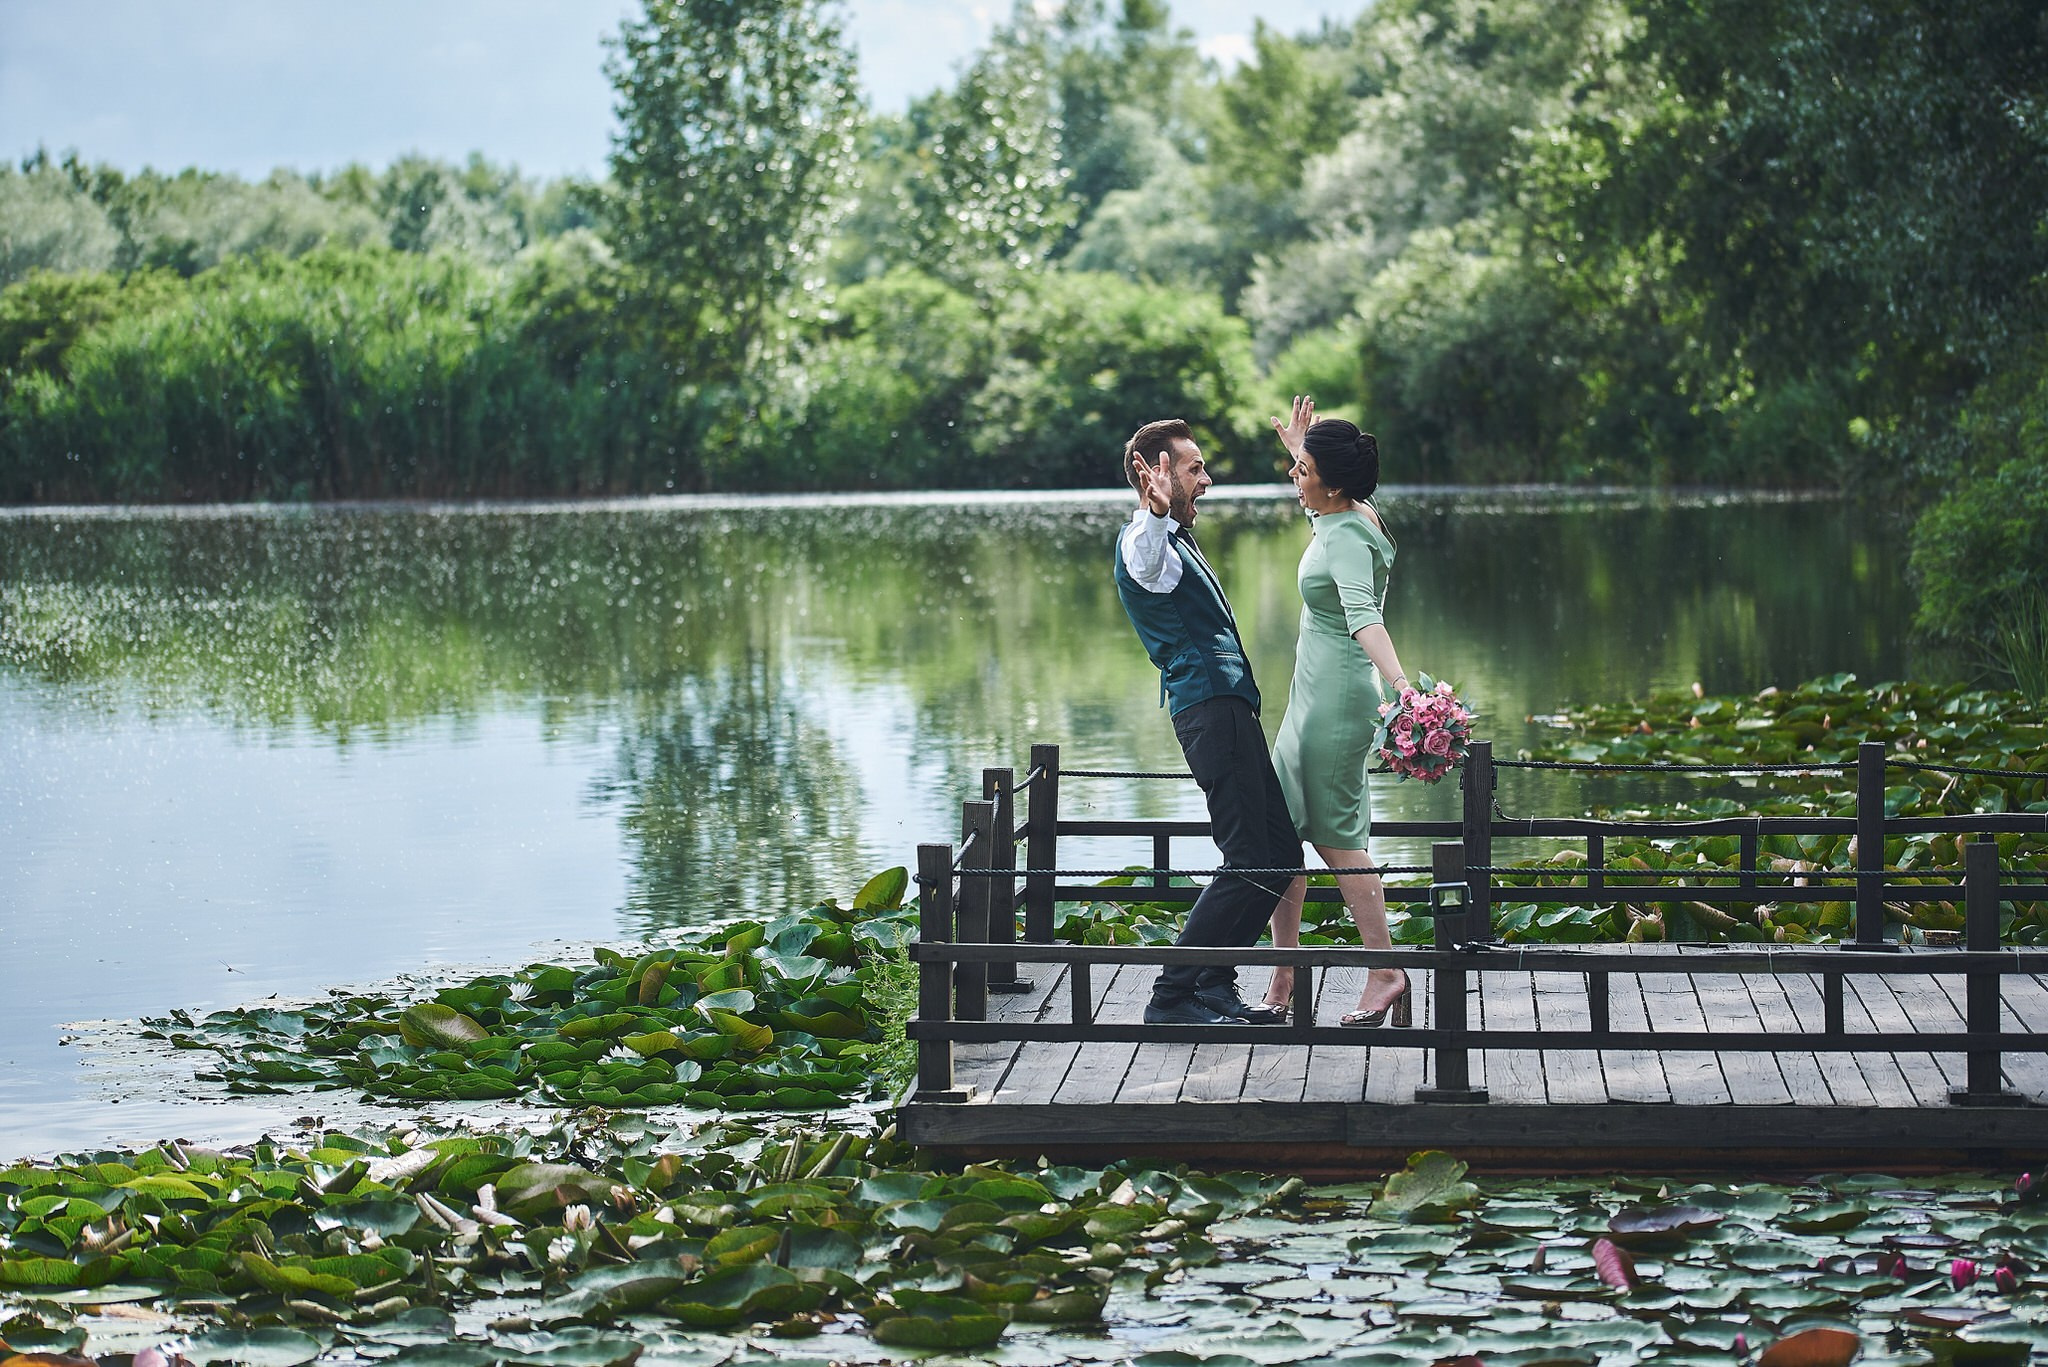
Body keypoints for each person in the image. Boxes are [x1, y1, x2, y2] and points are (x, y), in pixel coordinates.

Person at [1114, 418, 1301, 1027]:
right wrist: (1156, 515)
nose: (1207, 480)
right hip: (1208, 711)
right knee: (1248, 852)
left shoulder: (1177, 543)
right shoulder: (1147, 542)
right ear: (1159, 474)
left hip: (1228, 706)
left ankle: (1215, 981)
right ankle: (1171, 999)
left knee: (1279, 854)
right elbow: (1145, 557)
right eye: (1194, 468)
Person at [1259, 396, 1414, 1028]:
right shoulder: (1342, 509)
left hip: (1336, 703)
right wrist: (1302, 446)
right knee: (1281, 832)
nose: (1295, 476)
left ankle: (1384, 972)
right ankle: (1287, 968)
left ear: (1332, 480)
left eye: (1302, 469)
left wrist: (1404, 687)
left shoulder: (1347, 533)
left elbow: (1364, 618)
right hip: (1309, 697)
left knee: (1337, 839)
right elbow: (1323, 495)